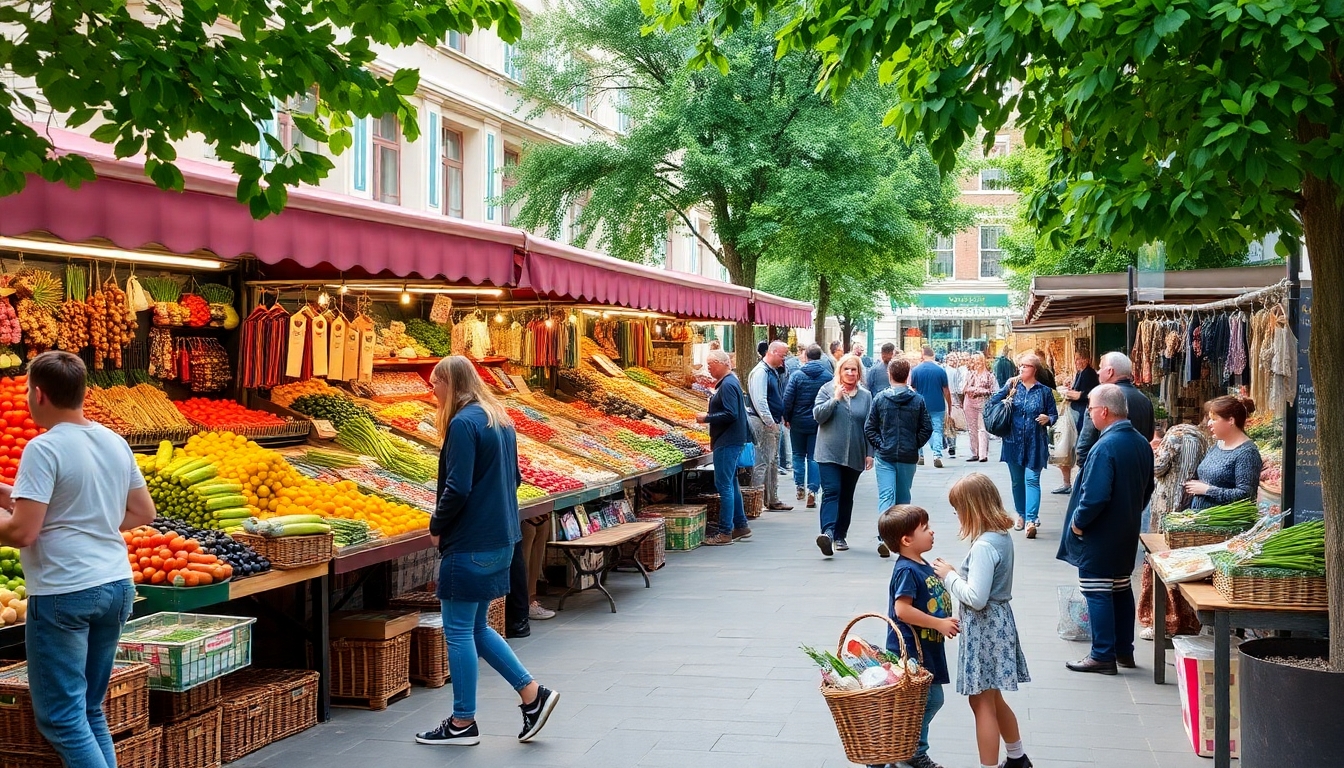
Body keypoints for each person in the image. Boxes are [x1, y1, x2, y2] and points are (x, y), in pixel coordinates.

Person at [0, 351, 155, 768]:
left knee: (62, 719)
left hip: (65, 591)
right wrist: (89, 524)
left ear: (38, 393)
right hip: (116, 585)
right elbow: (143, 512)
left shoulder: (43, 448)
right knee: (88, 708)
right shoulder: (113, 441)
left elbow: (22, 532)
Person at [417, 356, 559, 746]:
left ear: (450, 381)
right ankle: (533, 695)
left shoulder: (463, 424)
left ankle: (462, 722)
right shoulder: (498, 418)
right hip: (501, 540)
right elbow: (513, 478)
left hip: (470, 543)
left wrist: (437, 525)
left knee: (459, 631)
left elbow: (457, 487)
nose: (433, 393)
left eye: (435, 384)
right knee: (477, 628)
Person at [932, 473, 1033, 768]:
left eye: (958, 509)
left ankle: (991, 765)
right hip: (998, 624)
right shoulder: (1000, 537)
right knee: (992, 696)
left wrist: (949, 576)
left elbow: (976, 597)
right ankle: (1017, 757)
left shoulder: (984, 547)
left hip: (986, 628)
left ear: (972, 508)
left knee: (981, 702)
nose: (956, 515)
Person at [1056, 384, 1155, 676]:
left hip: (1101, 532)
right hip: (1125, 528)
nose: (1089, 414)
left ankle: (1102, 654)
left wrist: (1078, 522)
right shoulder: (1138, 441)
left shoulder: (1106, 445)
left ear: (1104, 411)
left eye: (1090, 409)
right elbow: (1147, 489)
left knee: (1097, 590)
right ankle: (1123, 650)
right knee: (1120, 588)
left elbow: (1095, 496)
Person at [878, 505, 957, 768]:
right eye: (925, 528)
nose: (932, 531)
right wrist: (939, 624)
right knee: (930, 700)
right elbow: (902, 610)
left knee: (927, 701)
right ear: (906, 540)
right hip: (912, 650)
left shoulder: (922, 564)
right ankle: (909, 750)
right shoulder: (906, 570)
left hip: (928, 648)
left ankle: (900, 749)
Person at [1138, 424, 1210, 641]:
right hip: (1188, 503)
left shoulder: (1176, 437)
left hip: (1169, 503)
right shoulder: (1203, 439)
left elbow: (1158, 467)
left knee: (1162, 561)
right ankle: (1186, 621)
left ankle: (1164, 620)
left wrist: (1151, 456)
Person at [865, 358, 933, 556]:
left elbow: (870, 427)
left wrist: (880, 443)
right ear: (908, 375)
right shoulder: (917, 400)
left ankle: (884, 537)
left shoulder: (880, 398)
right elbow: (927, 427)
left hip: (885, 455)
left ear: (889, 375)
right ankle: (902, 537)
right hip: (907, 455)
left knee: (886, 496)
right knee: (903, 499)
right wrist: (914, 443)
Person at [989, 353, 1058, 539]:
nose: (1021, 369)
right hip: (1013, 442)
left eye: (1025, 366)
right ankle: (1021, 514)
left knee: (1032, 480)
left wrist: (1048, 419)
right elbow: (993, 402)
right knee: (1017, 481)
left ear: (1034, 369)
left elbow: (1054, 414)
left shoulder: (1044, 391)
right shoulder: (1012, 386)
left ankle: (1031, 520)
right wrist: (1006, 395)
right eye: (1020, 366)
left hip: (1036, 442)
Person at [812, 354, 874, 556]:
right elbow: (818, 416)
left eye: (853, 369)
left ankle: (840, 535)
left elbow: (869, 426)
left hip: (855, 453)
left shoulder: (865, 396)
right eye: (846, 369)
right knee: (831, 491)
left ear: (859, 373)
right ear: (839, 371)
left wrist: (870, 452)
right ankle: (828, 534)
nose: (850, 373)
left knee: (847, 496)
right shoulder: (827, 390)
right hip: (828, 452)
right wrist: (835, 399)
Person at [696, 349, 752, 545]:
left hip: (727, 440)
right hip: (730, 439)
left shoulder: (728, 385)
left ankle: (724, 532)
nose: (709, 368)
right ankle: (741, 525)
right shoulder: (729, 382)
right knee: (731, 482)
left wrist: (707, 418)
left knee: (724, 485)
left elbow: (730, 414)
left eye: (711, 364)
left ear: (722, 363)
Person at [1074, 353, 1155, 469]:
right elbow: (1149, 436)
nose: (1097, 372)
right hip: (1137, 471)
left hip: (1106, 470)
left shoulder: (1100, 397)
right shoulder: (1144, 400)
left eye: (1101, 367)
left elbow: (1084, 444)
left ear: (1110, 372)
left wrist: (1086, 473)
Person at [1184, 395, 1263, 511]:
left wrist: (1207, 490)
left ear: (1231, 421)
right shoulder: (1218, 444)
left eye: (1214, 419)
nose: (1209, 423)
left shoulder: (1247, 453)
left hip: (1223, 525)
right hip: (1202, 520)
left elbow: (1246, 496)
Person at [747, 341, 793, 511]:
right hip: (763, 422)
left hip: (771, 421)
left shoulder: (772, 371)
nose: (784, 359)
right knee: (763, 462)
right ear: (773, 352)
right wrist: (769, 422)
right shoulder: (760, 372)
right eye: (782, 355)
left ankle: (771, 498)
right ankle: (756, 501)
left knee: (772, 461)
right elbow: (760, 401)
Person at [783, 345, 829, 508]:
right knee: (814, 457)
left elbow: (788, 399)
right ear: (820, 357)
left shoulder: (797, 376)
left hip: (798, 422)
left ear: (805, 356)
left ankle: (800, 487)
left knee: (797, 455)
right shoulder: (827, 376)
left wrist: (787, 417)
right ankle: (812, 491)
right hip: (819, 423)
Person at [1053, 353, 1100, 495]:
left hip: (1080, 415)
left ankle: (1076, 482)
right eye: (1076, 359)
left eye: (1079, 359)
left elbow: (1087, 394)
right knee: (1068, 447)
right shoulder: (1082, 373)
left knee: (1075, 446)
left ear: (1087, 359)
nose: (1077, 362)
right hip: (1076, 414)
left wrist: (1077, 395)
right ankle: (1069, 482)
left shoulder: (1089, 374)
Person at [910, 347, 952, 468]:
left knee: (919, 429)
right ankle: (937, 455)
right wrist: (949, 406)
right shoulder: (940, 370)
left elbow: (913, 389)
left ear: (923, 355)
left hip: (920, 405)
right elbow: (946, 390)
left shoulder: (916, 370)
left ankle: (920, 455)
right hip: (937, 404)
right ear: (932, 355)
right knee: (937, 430)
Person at [963, 352, 996, 463]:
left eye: (978, 360)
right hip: (969, 403)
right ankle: (974, 453)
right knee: (972, 428)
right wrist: (970, 388)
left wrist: (982, 391)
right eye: (974, 361)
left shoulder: (989, 375)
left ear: (983, 361)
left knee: (982, 428)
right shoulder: (969, 374)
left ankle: (982, 454)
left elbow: (994, 390)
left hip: (983, 403)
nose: (976, 363)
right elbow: (962, 388)